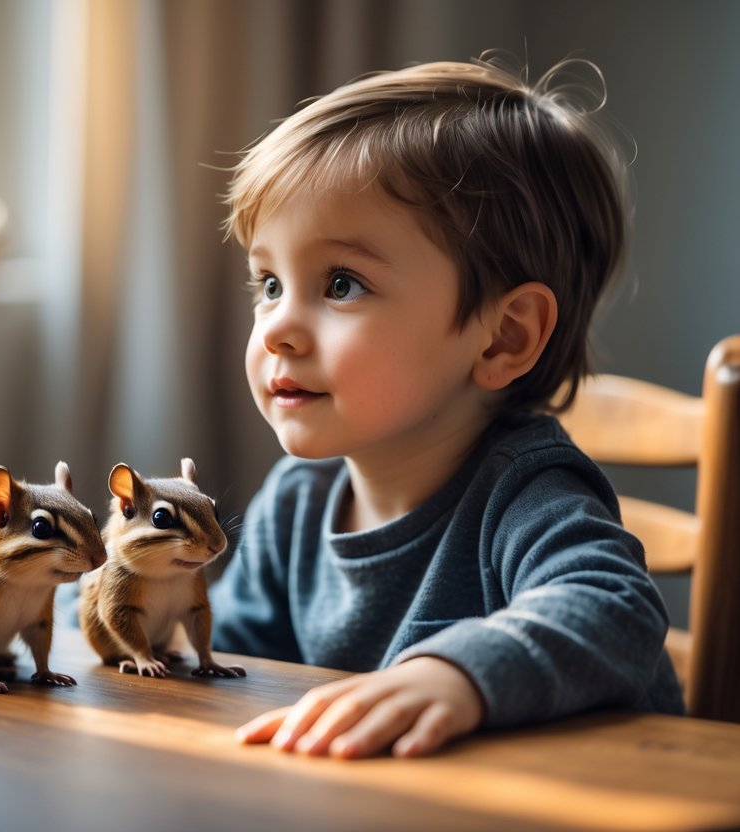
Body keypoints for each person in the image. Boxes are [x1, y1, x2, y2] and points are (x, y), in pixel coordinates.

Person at [209, 55, 685, 760]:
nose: (276, 326)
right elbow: (229, 664)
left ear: (504, 336)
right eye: (269, 283)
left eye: (340, 284)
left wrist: (454, 674)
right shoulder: (296, 500)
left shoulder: (523, 490)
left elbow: (614, 610)